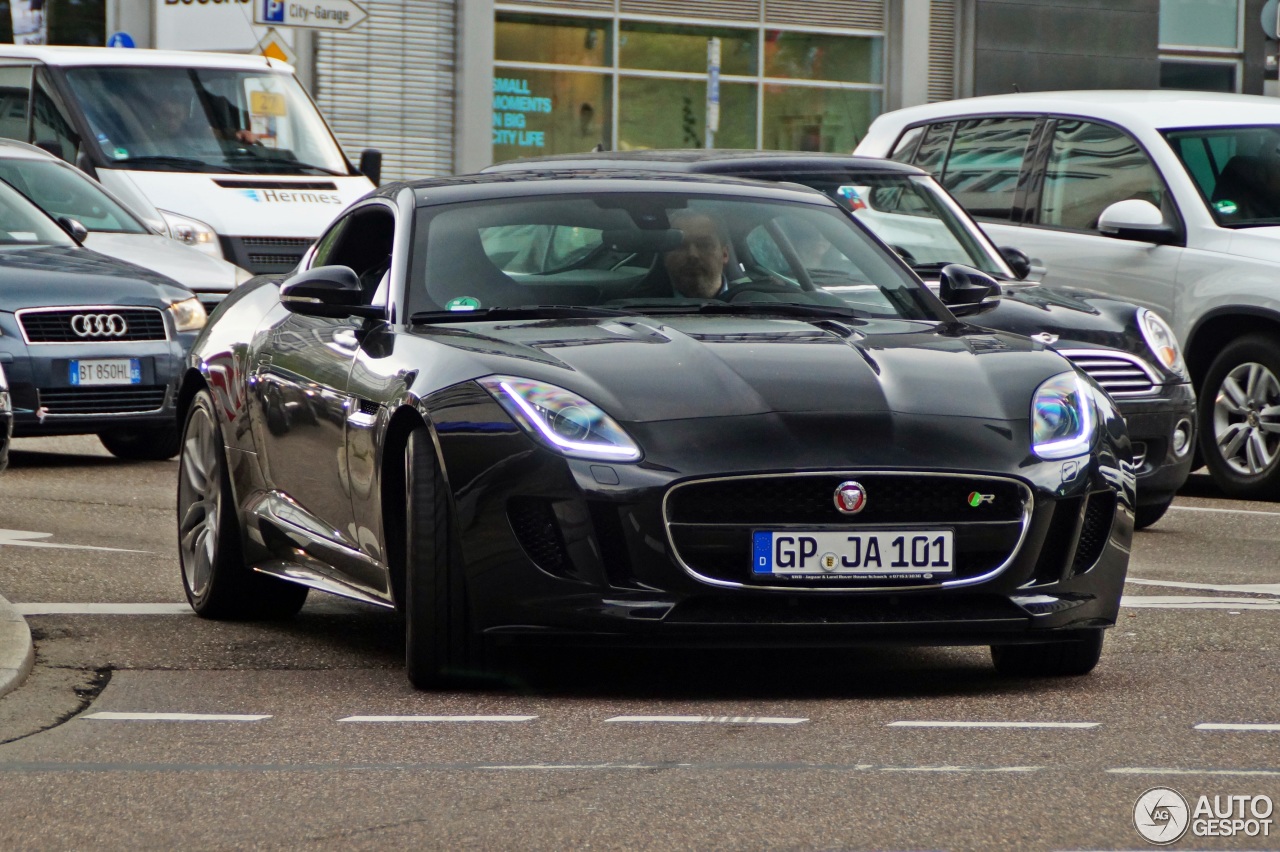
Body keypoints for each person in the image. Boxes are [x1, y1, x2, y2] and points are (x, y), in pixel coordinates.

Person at [664, 211, 729, 299]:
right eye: (680, 245)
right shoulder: (642, 302)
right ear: (665, 256)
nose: (693, 255)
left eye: (705, 245)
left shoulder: (749, 298)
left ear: (724, 254)